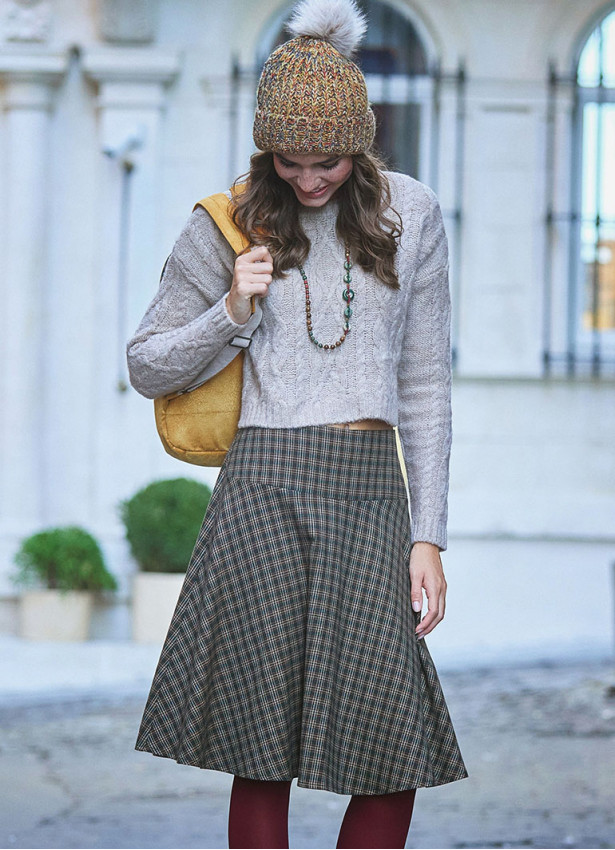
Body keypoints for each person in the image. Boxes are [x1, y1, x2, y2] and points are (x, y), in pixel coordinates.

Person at [126, 0, 468, 846]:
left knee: (394, 744)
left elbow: (424, 384)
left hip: (365, 492)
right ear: (265, 150)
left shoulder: (411, 214)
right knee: (259, 744)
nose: (311, 180)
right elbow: (146, 365)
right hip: (261, 487)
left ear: (361, 145)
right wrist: (232, 310)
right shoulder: (229, 220)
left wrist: (427, 537)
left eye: (329, 162)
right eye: (292, 161)